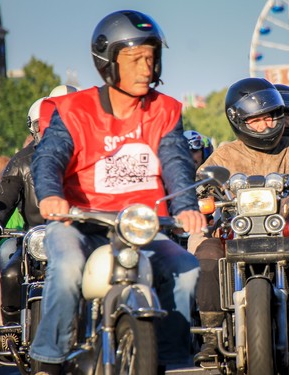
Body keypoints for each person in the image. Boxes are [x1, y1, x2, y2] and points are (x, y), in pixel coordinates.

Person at [29, 10, 204, 374]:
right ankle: (49, 358)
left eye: (151, 58)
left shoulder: (164, 110)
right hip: (78, 220)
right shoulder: (74, 110)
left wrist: (186, 205)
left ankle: (165, 357)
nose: (146, 68)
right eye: (135, 59)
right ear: (108, 63)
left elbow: (175, 161)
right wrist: (50, 194)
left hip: (139, 225)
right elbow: (48, 158)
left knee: (186, 268)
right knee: (67, 269)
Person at [190, 77, 289, 365]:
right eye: (256, 121)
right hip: (237, 227)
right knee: (206, 254)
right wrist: (202, 192)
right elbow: (203, 178)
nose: (266, 125)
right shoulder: (226, 153)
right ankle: (211, 336)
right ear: (239, 121)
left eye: (271, 117)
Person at [0, 85, 78, 326]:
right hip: (34, 239)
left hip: (77, 234)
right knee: (11, 273)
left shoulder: (84, 155)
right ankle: (11, 329)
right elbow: (4, 197)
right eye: (43, 123)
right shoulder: (22, 161)